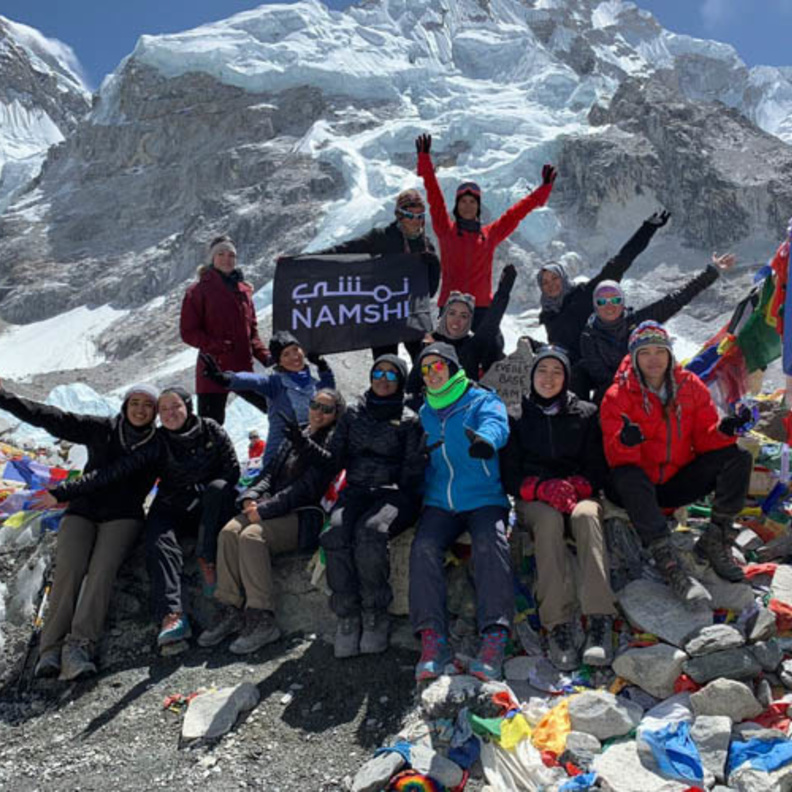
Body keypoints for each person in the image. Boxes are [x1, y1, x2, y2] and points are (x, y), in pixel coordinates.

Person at [46, 387, 241, 646]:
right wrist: (62, 492)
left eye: (176, 407)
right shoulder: (157, 442)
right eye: (164, 410)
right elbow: (113, 471)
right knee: (157, 537)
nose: (170, 414)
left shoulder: (211, 430)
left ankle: (207, 558)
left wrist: (201, 491)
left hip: (211, 503)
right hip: (174, 504)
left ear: (188, 406)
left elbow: (232, 469)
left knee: (216, 492)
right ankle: (172, 616)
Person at [3, 382, 159, 681]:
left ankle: (79, 647)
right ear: (125, 405)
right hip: (82, 510)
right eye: (135, 402)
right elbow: (51, 417)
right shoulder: (101, 429)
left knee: (101, 572)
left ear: (154, 411)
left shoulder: (156, 444)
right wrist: (5, 398)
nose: (140, 409)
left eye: (147, 405)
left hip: (123, 516)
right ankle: (49, 648)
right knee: (69, 571)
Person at [601, 321, 754, 606]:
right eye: (645, 352)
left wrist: (725, 431)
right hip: (637, 490)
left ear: (670, 354)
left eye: (660, 351)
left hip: (675, 482)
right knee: (626, 475)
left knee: (738, 457)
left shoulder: (690, 387)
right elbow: (616, 458)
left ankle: (716, 535)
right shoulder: (617, 395)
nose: (654, 359)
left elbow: (705, 440)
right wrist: (627, 442)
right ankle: (666, 558)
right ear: (634, 358)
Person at [198, 389, 345, 654]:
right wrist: (250, 497)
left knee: (252, 536)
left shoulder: (331, 443)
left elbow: (306, 489)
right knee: (229, 531)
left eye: (327, 409)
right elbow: (269, 474)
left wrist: (265, 510)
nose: (318, 412)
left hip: (305, 514)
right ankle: (230, 607)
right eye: (315, 405)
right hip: (274, 506)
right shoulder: (296, 434)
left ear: (336, 415)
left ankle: (261, 617)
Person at [501, 346, 615, 671]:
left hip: (577, 491)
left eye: (556, 372)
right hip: (535, 498)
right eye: (542, 371)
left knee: (587, 515)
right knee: (549, 522)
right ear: (531, 375)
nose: (548, 379)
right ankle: (557, 623)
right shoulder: (516, 416)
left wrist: (578, 486)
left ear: (565, 378)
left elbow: (598, 466)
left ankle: (599, 618)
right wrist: (540, 488)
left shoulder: (586, 413)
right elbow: (510, 475)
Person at [409, 343, 513, 682]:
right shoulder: (425, 411)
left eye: (438, 365)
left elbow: (497, 423)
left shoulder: (481, 399)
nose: (432, 373)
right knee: (423, 547)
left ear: (453, 368)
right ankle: (431, 639)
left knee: (490, 541)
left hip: (484, 496)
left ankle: (495, 636)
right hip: (440, 500)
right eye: (425, 369)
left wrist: (486, 439)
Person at [321, 355, 424, 659]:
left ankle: (376, 612)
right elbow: (334, 457)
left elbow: (409, 479)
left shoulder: (409, 420)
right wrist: (309, 449)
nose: (383, 379)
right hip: (356, 490)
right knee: (336, 533)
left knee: (371, 532)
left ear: (400, 382)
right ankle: (347, 614)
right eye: (378, 372)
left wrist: (417, 461)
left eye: (391, 375)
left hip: (393, 494)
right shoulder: (353, 413)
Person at [415, 133, 556, 326]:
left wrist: (542, 192)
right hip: (450, 307)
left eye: (472, 201)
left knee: (487, 352)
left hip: (481, 308)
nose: (467, 205)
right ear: (456, 206)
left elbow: (515, 214)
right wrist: (425, 164)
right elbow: (435, 198)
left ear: (478, 207)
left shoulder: (489, 235)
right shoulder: (445, 230)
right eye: (463, 201)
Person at [580, 253, 735, 403]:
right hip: (617, 391)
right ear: (595, 305)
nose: (609, 306)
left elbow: (675, 300)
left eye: (615, 300)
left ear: (622, 302)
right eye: (602, 302)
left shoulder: (637, 321)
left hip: (650, 383)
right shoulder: (590, 335)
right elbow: (599, 374)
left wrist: (711, 273)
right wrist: (631, 386)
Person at [313, 188, 441, 361]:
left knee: (424, 362)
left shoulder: (425, 245)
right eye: (410, 215)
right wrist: (302, 261)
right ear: (399, 215)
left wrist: (431, 270)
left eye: (420, 215)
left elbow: (431, 283)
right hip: (383, 315)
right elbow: (344, 250)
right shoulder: (381, 237)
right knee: (386, 363)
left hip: (412, 315)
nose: (416, 220)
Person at [538, 211, 671, 368]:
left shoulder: (585, 293)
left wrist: (647, 229)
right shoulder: (548, 315)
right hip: (578, 375)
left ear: (563, 278)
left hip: (609, 363)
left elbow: (619, 263)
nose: (551, 285)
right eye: (545, 282)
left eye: (555, 278)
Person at [201, 330, 335, 474]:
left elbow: (330, 394)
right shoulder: (274, 383)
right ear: (279, 361)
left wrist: (323, 367)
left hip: (315, 449)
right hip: (282, 458)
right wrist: (226, 378)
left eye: (295, 350)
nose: (294, 356)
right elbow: (253, 380)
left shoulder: (313, 382)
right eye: (286, 354)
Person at [180, 234, 271, 425]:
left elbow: (252, 332)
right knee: (211, 427)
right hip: (213, 368)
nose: (227, 259)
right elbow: (188, 332)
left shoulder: (244, 291)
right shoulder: (197, 291)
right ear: (212, 258)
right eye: (221, 254)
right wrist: (218, 345)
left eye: (231, 255)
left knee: (276, 408)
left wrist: (267, 358)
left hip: (242, 367)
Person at [406, 264, 518, 403]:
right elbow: (413, 384)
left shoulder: (473, 345)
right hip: (433, 411)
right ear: (444, 314)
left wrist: (504, 291)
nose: (457, 320)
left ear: (469, 321)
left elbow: (491, 322)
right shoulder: (428, 343)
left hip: (466, 411)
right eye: (452, 313)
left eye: (464, 316)